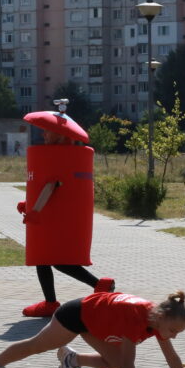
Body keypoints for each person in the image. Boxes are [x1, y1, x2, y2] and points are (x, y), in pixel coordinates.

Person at [0, 291, 185, 368]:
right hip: (76, 315)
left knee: (117, 364)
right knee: (37, 345)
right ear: (161, 318)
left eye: (178, 332)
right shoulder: (137, 317)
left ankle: (72, 359)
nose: (174, 335)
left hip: (94, 322)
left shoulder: (159, 320)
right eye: (173, 330)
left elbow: (172, 357)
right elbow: (130, 363)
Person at [18, 124, 114, 318]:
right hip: (57, 217)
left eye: (47, 130)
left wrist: (35, 209)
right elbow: (50, 186)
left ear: (61, 135)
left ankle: (53, 302)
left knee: (46, 258)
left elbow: (51, 185)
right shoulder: (67, 156)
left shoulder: (59, 157)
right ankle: (98, 285)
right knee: (52, 260)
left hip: (50, 218)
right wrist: (28, 203)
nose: (43, 133)